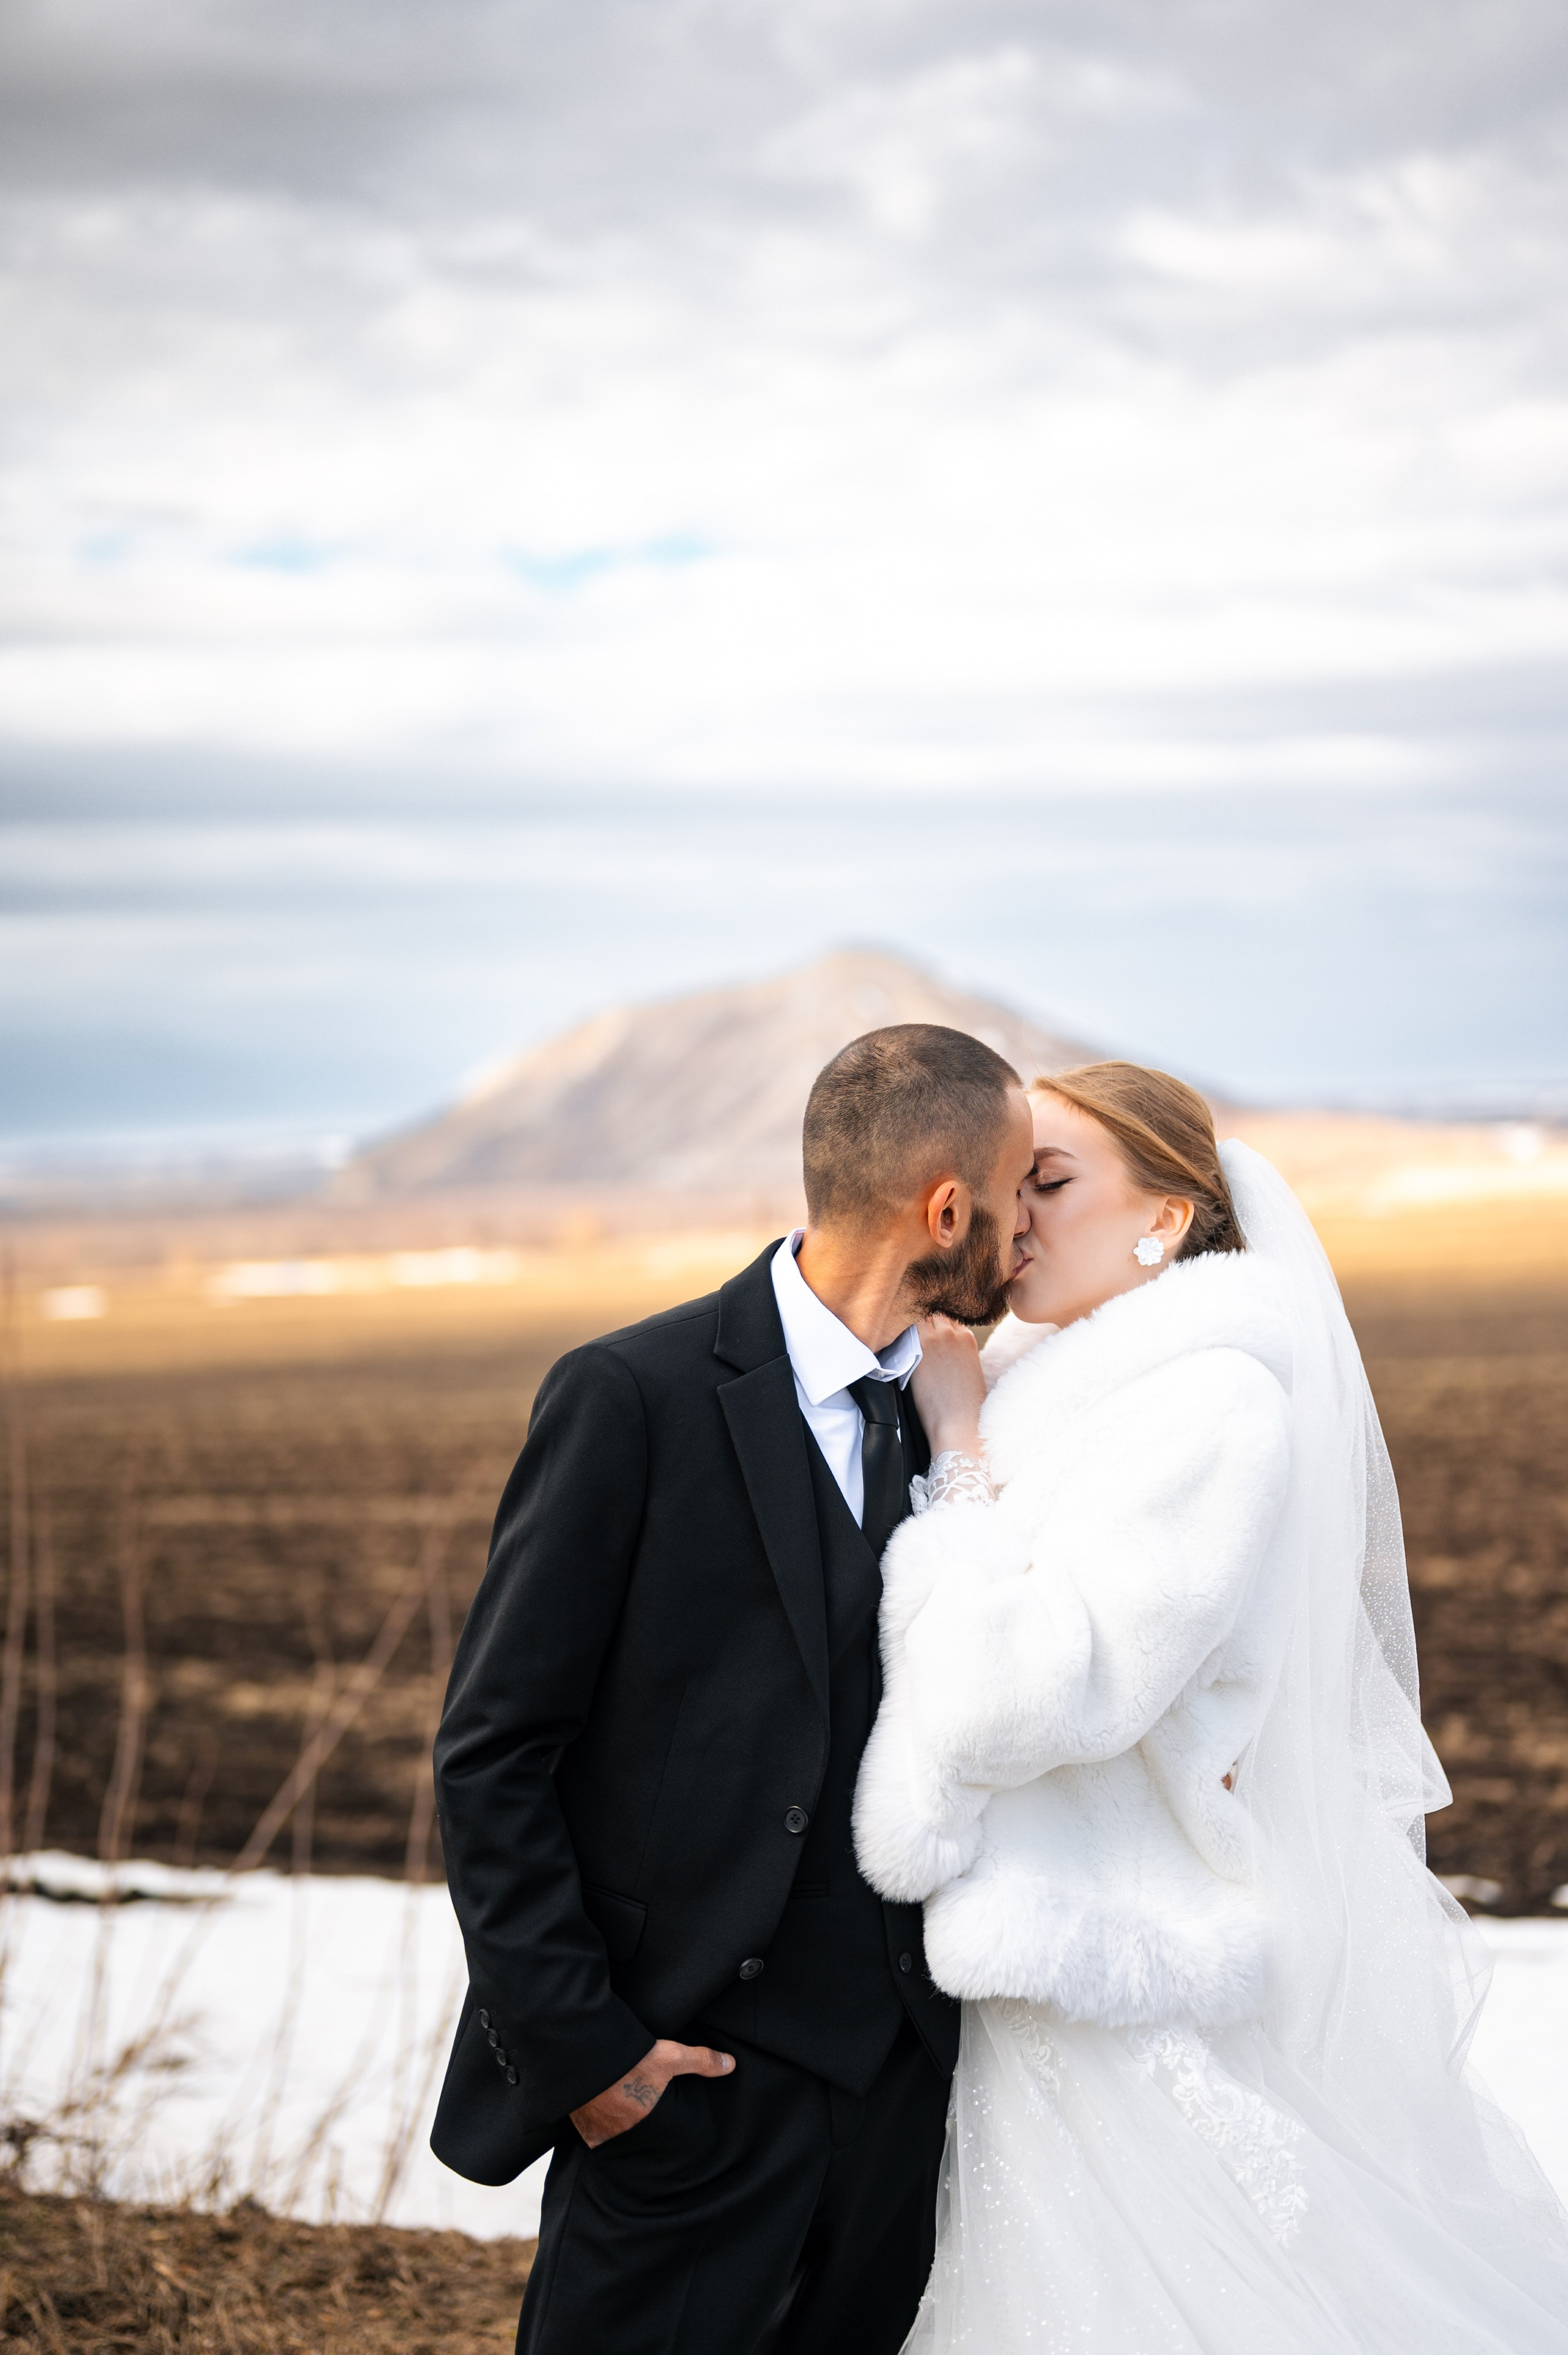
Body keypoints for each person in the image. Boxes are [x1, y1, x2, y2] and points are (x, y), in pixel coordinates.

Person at [854, 1060, 1568, 2352]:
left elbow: (1021, 1695)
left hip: (1097, 1963)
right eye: (1008, 1182)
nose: (1011, 1219)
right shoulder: (1065, 1391)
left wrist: (955, 1461)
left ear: (1164, 1218)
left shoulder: (1207, 1404)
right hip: (1029, 1960)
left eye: (1050, 1181)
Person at [429, 1023, 1038, 2354]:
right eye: (1015, 1189)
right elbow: (492, 1750)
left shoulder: (963, 1414)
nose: (1023, 1229)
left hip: (902, 2107)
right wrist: (590, 2057)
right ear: (947, 1206)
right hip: (680, 2093)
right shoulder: (630, 1394)